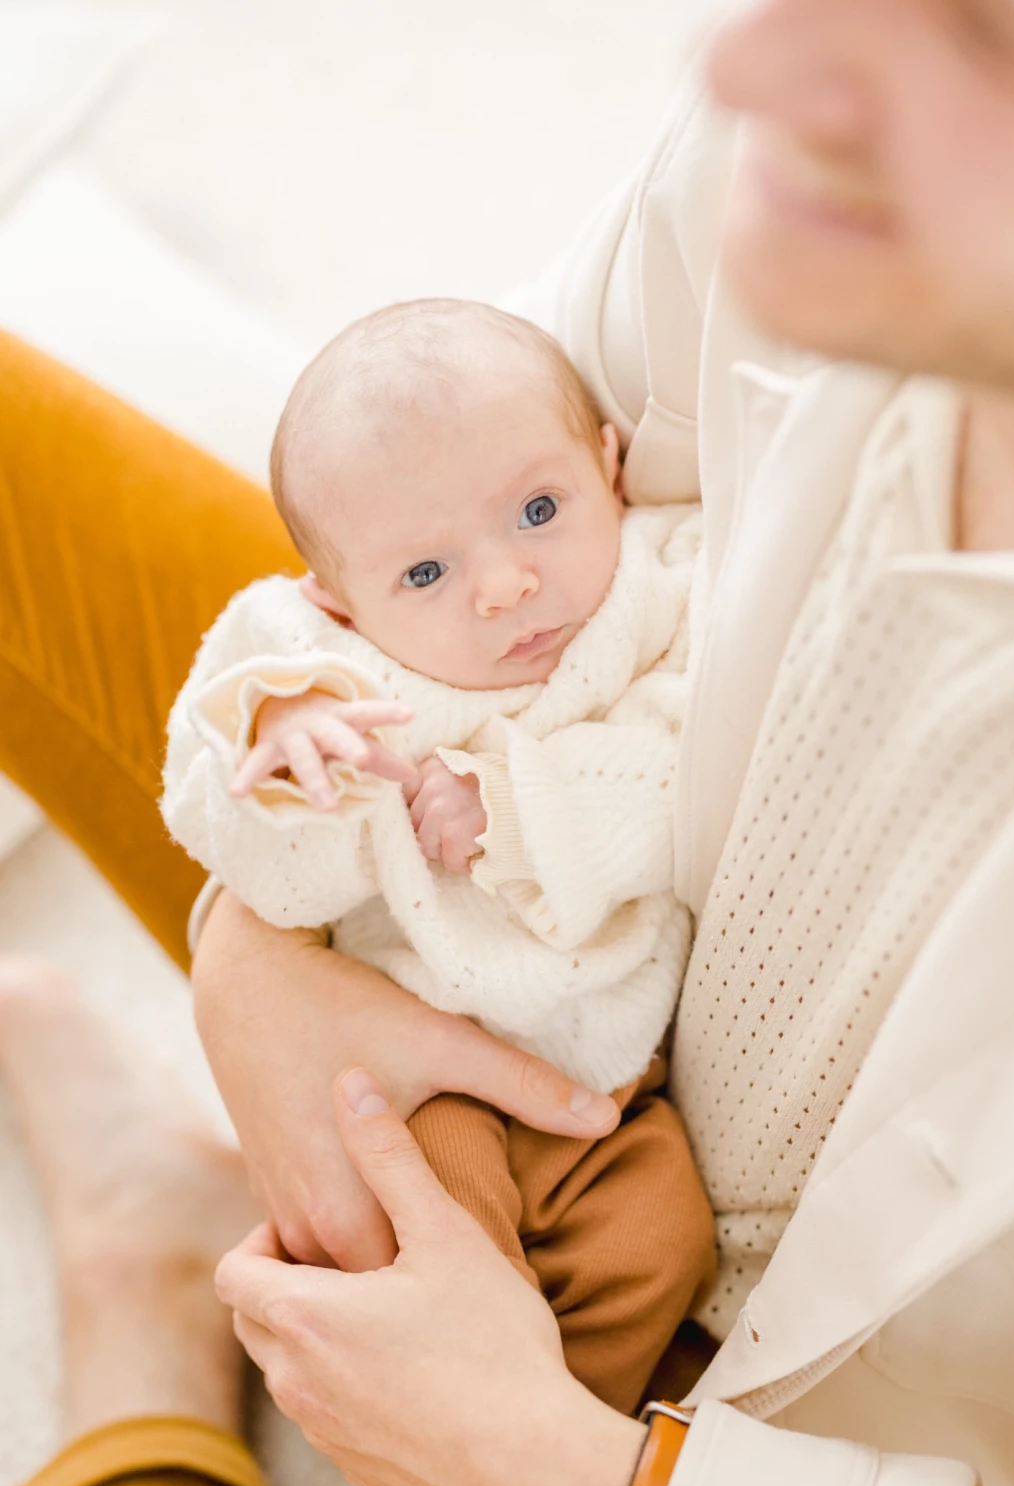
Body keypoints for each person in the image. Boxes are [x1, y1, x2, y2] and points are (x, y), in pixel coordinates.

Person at [2, 0, 1014, 1486]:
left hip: (775, 1480)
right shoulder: (810, 167)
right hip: (479, 891)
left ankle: (150, 1329)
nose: (748, 73)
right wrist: (255, 944)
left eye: (998, 47)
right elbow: (455, 453)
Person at [163, 294, 712, 1416]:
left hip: (600, 1090)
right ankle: (446, 1415)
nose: (504, 584)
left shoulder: (656, 598)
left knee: (662, 1235)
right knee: (434, 1241)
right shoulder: (330, 675)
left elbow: (681, 775)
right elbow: (266, 881)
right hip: (409, 1077)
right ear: (342, 603)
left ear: (610, 465)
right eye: (425, 574)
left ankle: (559, 1415)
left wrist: (513, 811)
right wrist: (284, 759)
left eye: (540, 509)